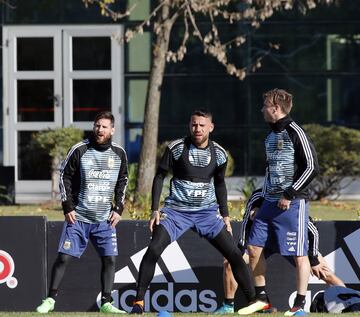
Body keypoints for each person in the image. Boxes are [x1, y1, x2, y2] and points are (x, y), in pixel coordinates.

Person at [130, 109, 256, 314]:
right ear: (190, 126)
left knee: (234, 254)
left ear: (211, 128)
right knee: (153, 250)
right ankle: (138, 303)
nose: (197, 129)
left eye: (202, 125)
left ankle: (254, 302)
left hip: (207, 214)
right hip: (176, 213)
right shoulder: (176, 148)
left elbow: (220, 184)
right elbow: (160, 176)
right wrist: (154, 210)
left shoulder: (220, 153)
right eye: (194, 124)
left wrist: (225, 215)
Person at [36, 111, 128, 314]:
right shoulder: (80, 149)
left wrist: (119, 208)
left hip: (105, 220)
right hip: (78, 217)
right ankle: (50, 299)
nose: (100, 129)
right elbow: (64, 177)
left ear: (112, 130)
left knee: (110, 259)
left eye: (104, 126)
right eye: (97, 125)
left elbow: (123, 181)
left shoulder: (119, 153)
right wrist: (67, 206)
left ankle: (106, 302)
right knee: (64, 258)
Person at [238, 89, 320, 316]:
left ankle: (299, 305)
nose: (261, 109)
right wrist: (262, 200)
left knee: (299, 254)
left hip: (293, 204)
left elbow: (312, 167)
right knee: (254, 249)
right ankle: (262, 299)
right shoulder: (269, 136)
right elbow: (271, 172)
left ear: (276, 108)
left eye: (265, 105)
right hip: (269, 203)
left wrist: (290, 194)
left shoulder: (296, 132)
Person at [215, 188, 345, 314]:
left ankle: (349, 300)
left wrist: (314, 258)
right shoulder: (258, 196)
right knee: (230, 262)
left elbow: (311, 228)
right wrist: (241, 248)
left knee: (324, 272)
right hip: (263, 243)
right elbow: (246, 223)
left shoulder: (291, 196)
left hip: (289, 241)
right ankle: (229, 305)